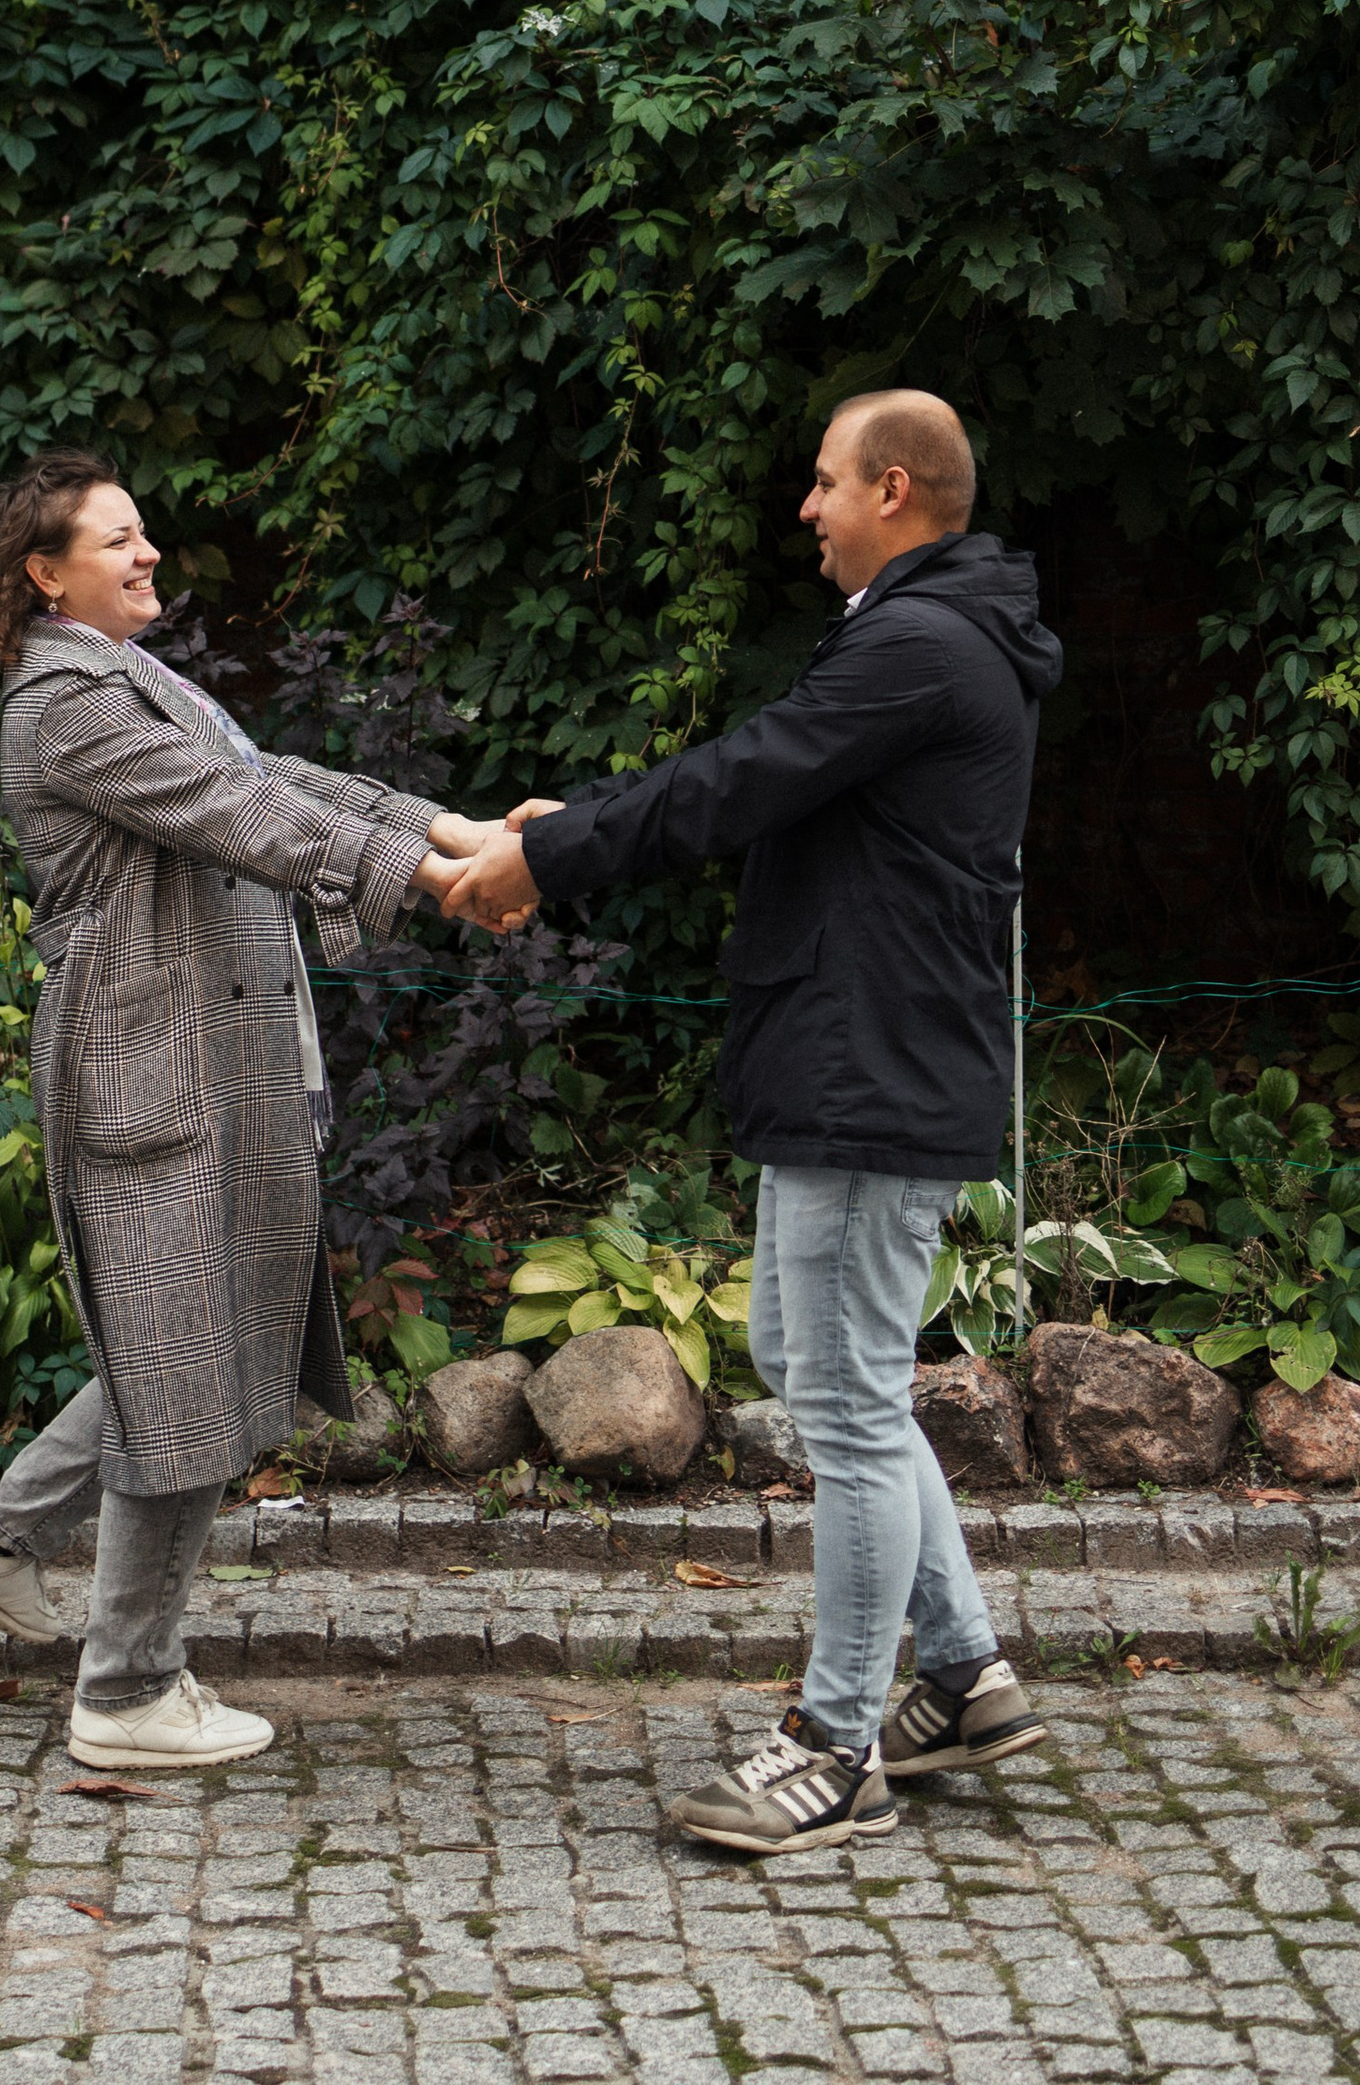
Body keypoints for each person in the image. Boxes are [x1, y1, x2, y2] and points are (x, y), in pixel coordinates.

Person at [441, 387, 1061, 1855]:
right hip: (854, 1050)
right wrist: (559, 830)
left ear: (895, 491)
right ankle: (962, 1671)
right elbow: (761, 777)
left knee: (843, 1403)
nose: (807, 507)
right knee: (807, 1363)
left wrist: (550, 861)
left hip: (873, 1064)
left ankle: (834, 1746)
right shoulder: (919, 634)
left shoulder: (916, 642)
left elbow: (738, 782)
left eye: (825, 483)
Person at [0, 445, 477, 1766]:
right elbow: (240, 816)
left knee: (188, 1340)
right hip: (150, 1071)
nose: (147, 551)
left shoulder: (128, 678)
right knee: (180, 1366)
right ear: (45, 576)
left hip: (206, 1064)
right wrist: (433, 881)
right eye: (117, 541)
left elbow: (272, 775)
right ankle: (126, 1696)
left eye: (143, 530)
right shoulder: (66, 706)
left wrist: (447, 829)